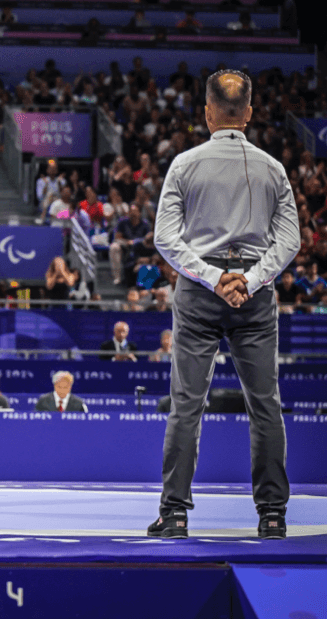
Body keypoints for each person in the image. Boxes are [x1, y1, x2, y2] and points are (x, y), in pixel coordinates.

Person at [150, 69, 300, 540]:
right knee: (265, 405)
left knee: (186, 405)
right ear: (249, 114)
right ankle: (272, 514)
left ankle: (174, 514)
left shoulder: (184, 164)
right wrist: (249, 280)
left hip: (199, 290)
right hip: (254, 295)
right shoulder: (273, 168)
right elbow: (290, 240)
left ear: (209, 112)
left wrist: (215, 279)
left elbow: (165, 239)